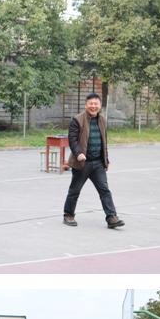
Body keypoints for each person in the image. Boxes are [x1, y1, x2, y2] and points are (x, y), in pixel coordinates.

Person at [62, 93, 124, 229]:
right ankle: (68, 215)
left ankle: (111, 217)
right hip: (82, 163)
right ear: (86, 105)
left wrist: (106, 159)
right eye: (91, 103)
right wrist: (78, 153)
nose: (93, 106)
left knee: (105, 190)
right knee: (74, 190)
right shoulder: (77, 120)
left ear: (100, 105)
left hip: (98, 163)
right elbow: (72, 140)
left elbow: (104, 141)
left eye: (96, 103)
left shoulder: (102, 119)